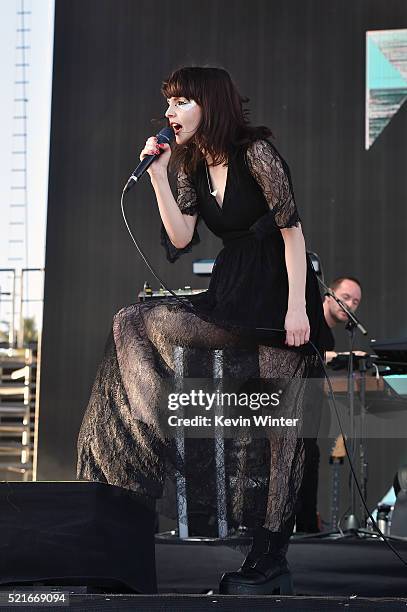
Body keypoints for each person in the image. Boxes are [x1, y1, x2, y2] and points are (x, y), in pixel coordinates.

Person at [76, 66, 332, 595]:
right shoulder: (190, 164)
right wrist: (157, 175)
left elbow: (291, 232)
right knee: (133, 321)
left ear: (210, 105)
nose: (170, 112)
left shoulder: (256, 153)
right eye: (168, 103)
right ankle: (149, 437)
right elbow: (181, 234)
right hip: (230, 296)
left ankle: (269, 561)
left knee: (282, 434)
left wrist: (298, 310)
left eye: (182, 101)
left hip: (276, 294)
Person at [296, 276, 363, 533]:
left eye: (355, 302)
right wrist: (344, 358)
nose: (350, 305)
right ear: (328, 295)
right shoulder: (308, 318)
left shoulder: (330, 338)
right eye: (345, 297)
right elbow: (303, 353)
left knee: (310, 456)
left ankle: (306, 526)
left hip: (309, 411)